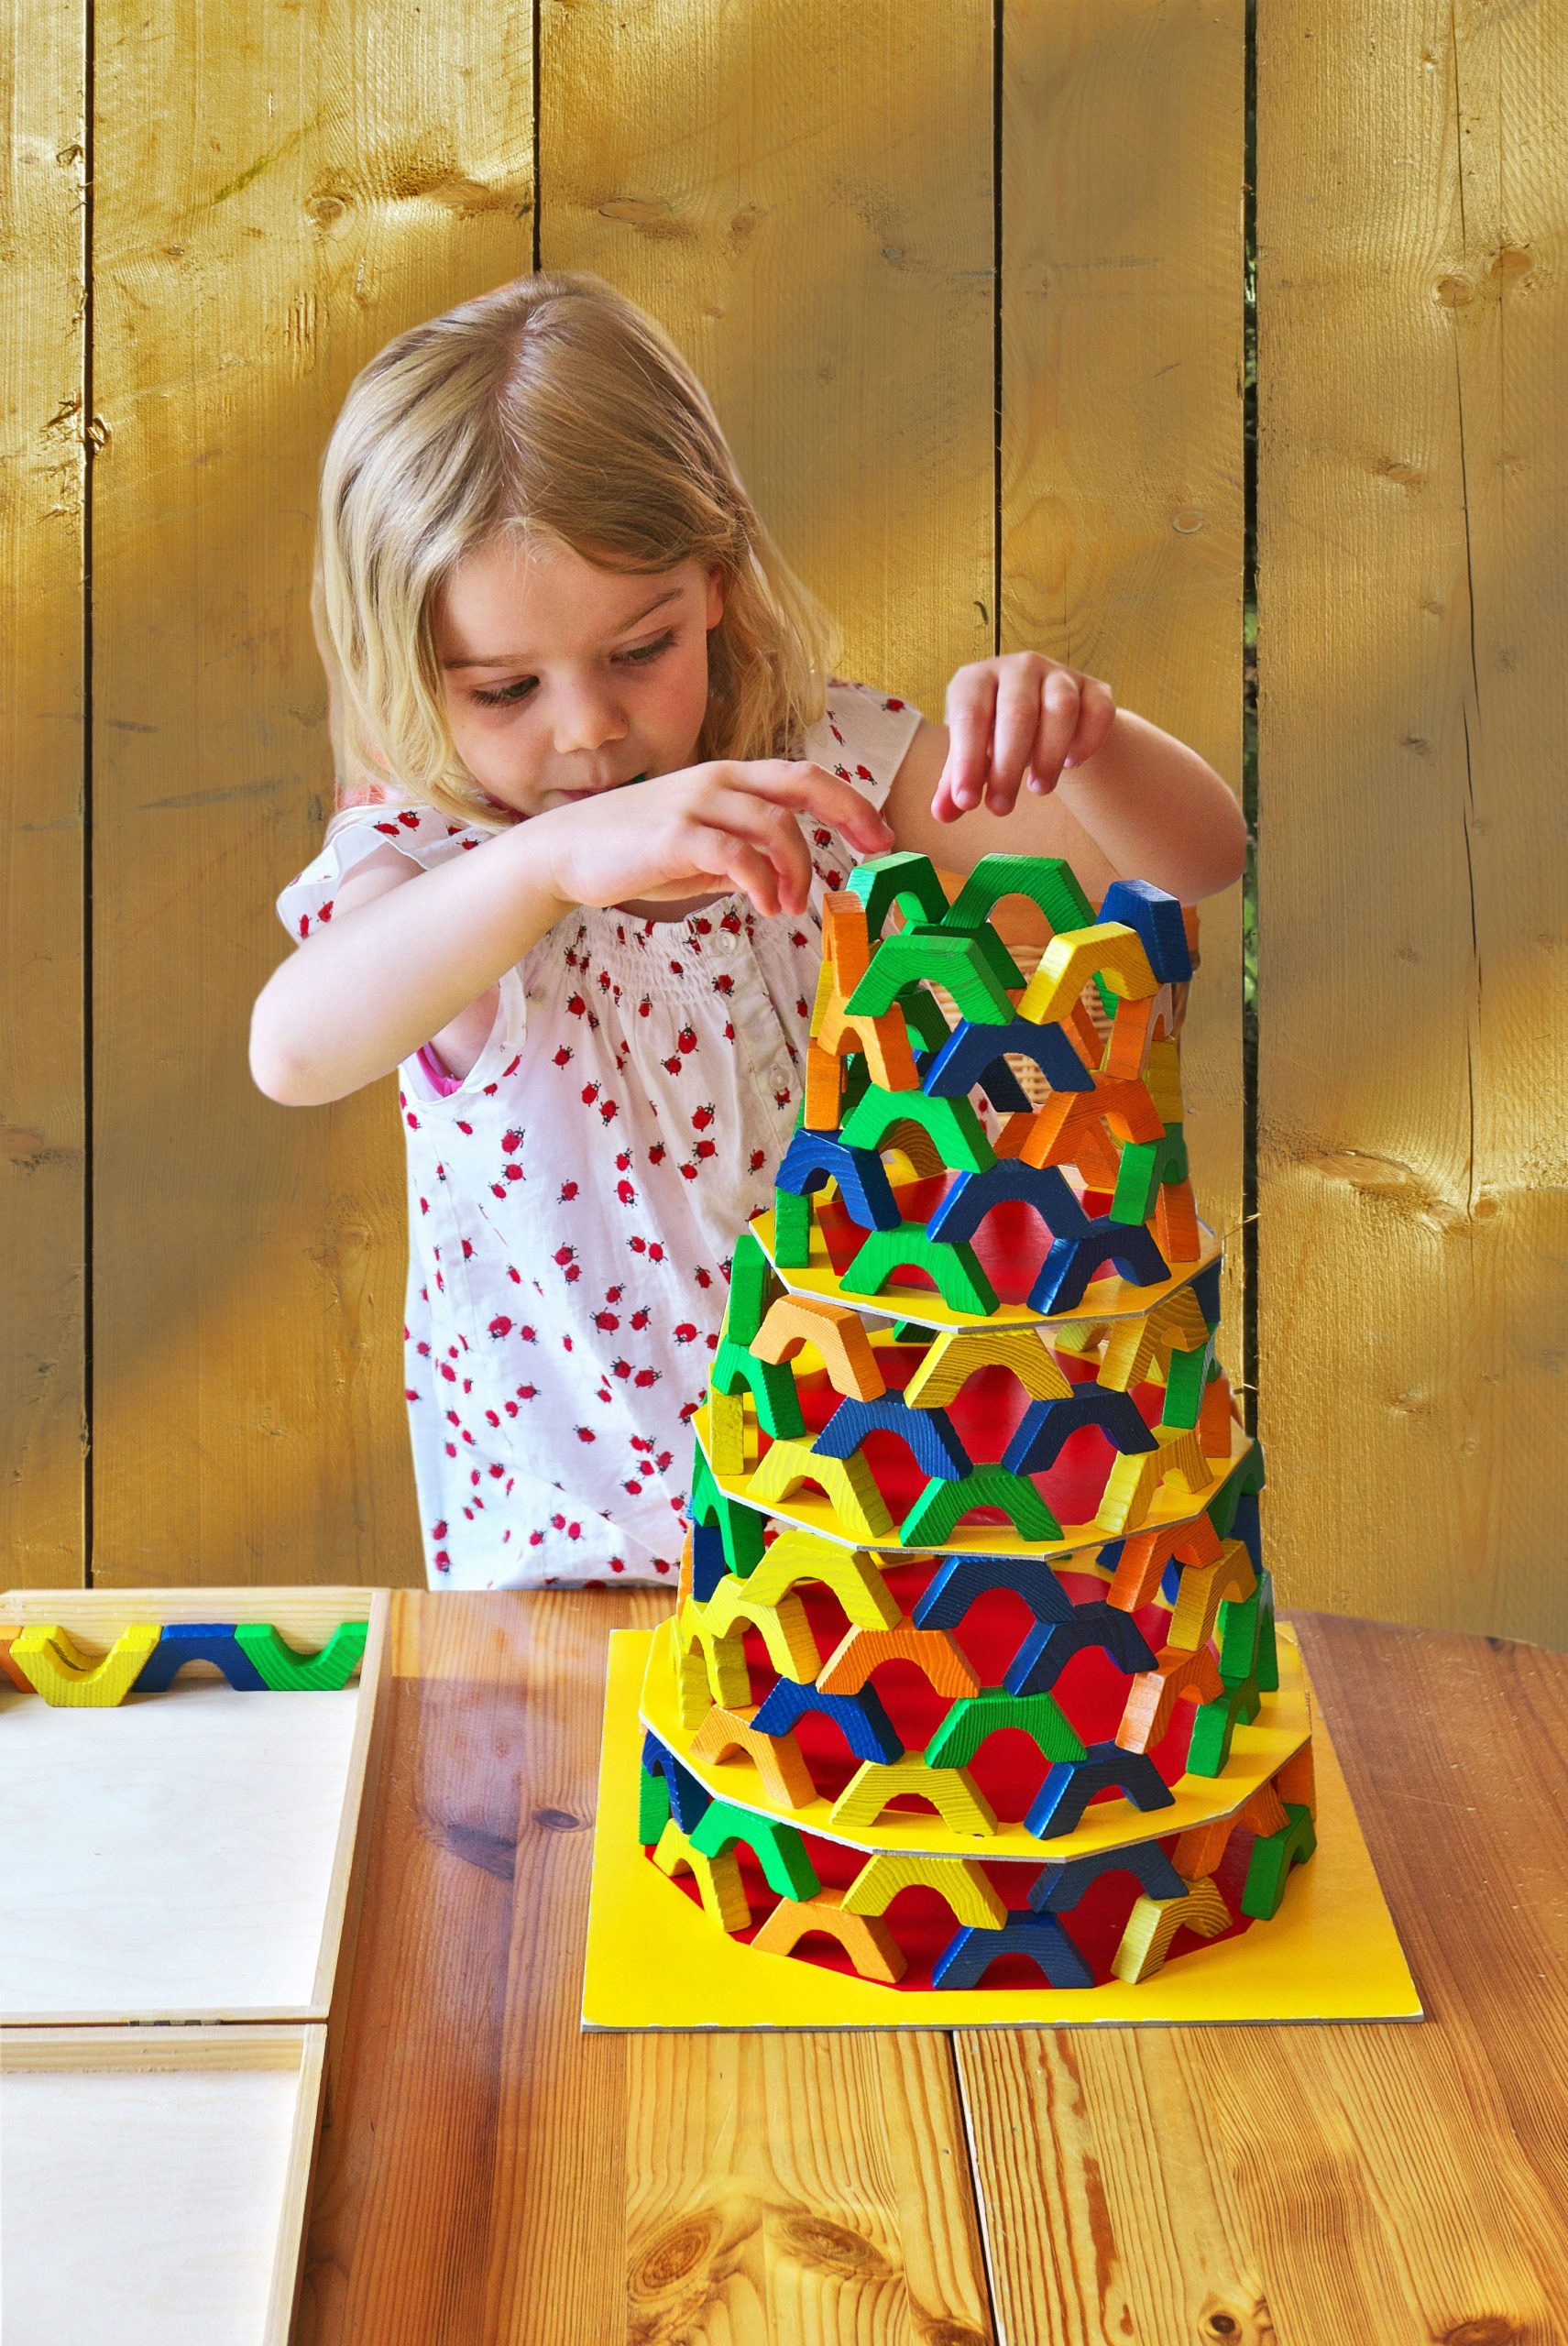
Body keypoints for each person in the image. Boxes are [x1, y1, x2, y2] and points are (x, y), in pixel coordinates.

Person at [250, 271, 1247, 1591]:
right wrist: (546, 865)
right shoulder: (442, 869)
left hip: (887, 1570)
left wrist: (1090, 740)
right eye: (505, 688)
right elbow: (295, 1048)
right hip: (581, 1584)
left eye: (639, 650)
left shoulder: (833, 772)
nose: (587, 728)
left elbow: (1187, 866)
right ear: (412, 665)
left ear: (713, 584)